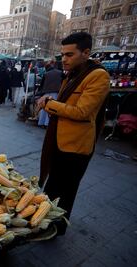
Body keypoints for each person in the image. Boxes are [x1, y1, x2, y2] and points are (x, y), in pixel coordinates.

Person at [37, 32, 110, 236]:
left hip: (76, 146)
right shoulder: (73, 73)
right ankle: (44, 222)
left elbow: (82, 112)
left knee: (66, 192)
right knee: (52, 188)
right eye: (62, 55)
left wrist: (50, 104)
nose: (64, 59)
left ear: (86, 53)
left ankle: (56, 228)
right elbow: (66, 103)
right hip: (59, 141)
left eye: (69, 54)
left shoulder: (98, 76)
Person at [37, 62, 63, 127]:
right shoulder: (60, 73)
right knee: (51, 108)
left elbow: (41, 85)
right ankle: (47, 123)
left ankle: (41, 122)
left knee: (44, 107)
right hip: (55, 92)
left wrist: (40, 93)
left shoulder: (46, 73)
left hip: (46, 92)